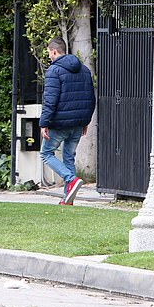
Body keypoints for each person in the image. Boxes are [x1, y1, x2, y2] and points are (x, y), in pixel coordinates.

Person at [39, 38, 96, 205]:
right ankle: (68, 198)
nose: (49, 55)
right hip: (78, 124)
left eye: (49, 52)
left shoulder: (53, 71)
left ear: (55, 52)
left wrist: (44, 123)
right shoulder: (84, 70)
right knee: (69, 157)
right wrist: (85, 121)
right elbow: (90, 98)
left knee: (46, 153)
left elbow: (50, 100)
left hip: (59, 123)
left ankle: (70, 180)